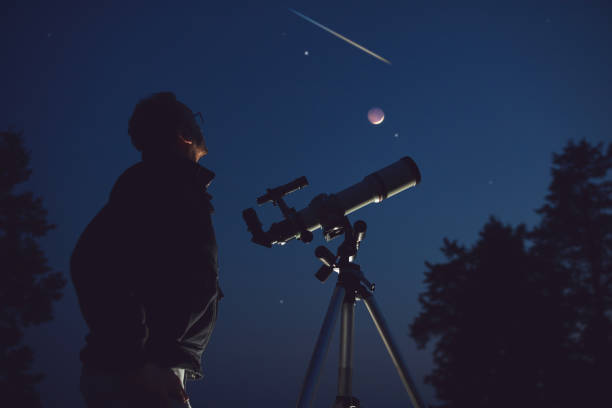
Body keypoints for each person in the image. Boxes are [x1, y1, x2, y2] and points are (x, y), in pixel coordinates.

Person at [71, 92, 222, 408]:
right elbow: (93, 264)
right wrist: (136, 361)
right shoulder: (160, 186)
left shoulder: (167, 186)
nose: (200, 126)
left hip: (149, 366)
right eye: (194, 119)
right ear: (183, 134)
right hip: (138, 374)